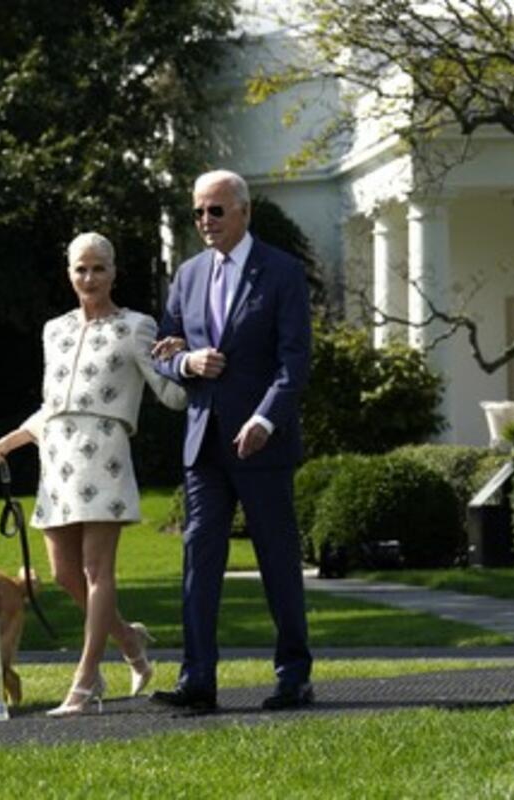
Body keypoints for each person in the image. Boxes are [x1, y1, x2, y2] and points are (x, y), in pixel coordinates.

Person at [0, 232, 186, 717]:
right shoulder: (54, 330)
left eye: (98, 268)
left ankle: (87, 678)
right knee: (64, 574)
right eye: (81, 269)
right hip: (57, 460)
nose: (89, 278)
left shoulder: (136, 326)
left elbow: (171, 394)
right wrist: (5, 445)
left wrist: (186, 360)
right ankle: (129, 640)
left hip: (105, 455)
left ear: (114, 272)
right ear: (69, 273)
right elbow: (52, 407)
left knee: (97, 572)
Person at [149, 169, 314, 712]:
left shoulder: (282, 272)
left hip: (262, 445)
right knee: (199, 560)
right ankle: (197, 680)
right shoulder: (189, 274)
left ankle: (294, 676)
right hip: (204, 444)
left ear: (244, 211)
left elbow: (294, 362)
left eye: (215, 210)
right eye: (198, 211)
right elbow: (165, 350)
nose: (205, 220)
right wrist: (187, 363)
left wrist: (265, 420)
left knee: (277, 561)